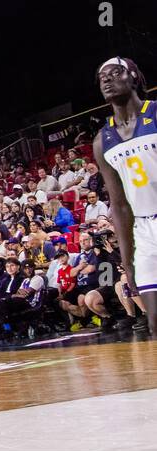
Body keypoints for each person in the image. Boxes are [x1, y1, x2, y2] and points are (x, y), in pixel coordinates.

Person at [93, 57, 157, 334]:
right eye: (101, 77)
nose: (106, 79)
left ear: (133, 77)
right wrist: (127, 261)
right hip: (143, 230)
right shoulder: (102, 140)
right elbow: (119, 206)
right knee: (155, 322)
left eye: (114, 73)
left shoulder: (155, 113)